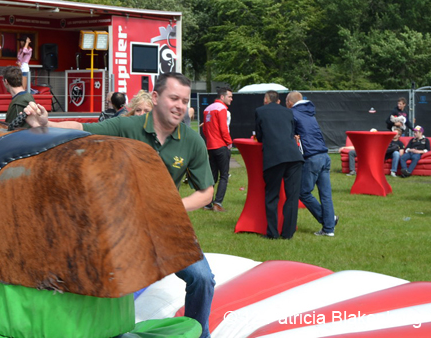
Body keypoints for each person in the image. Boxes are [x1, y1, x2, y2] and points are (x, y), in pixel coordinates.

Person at [24, 72, 215, 338]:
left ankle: (199, 333)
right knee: (105, 278)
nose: (179, 105)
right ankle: (104, 330)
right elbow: (81, 128)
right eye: (174, 98)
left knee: (202, 278)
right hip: (123, 226)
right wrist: (46, 124)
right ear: (156, 97)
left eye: (184, 100)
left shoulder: (192, 141)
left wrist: (171, 206)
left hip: (166, 226)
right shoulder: (128, 127)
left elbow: (206, 192)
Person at [254, 90, 304, 240]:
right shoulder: (288, 112)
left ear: (266, 99)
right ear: (279, 100)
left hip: (274, 157)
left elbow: (260, 136)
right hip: (294, 157)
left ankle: (272, 233)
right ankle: (288, 234)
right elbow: (291, 133)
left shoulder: (260, 111)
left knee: (271, 196)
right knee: (292, 197)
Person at [287, 91, 336, 237]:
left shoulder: (293, 114)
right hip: (324, 155)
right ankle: (329, 229)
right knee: (326, 194)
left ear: (290, 102)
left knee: (304, 192)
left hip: (311, 157)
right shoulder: (309, 112)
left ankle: (328, 221)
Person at [202, 87, 233, 212]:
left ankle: (207, 203)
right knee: (224, 176)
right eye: (229, 96)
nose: (231, 99)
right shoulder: (221, 109)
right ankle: (217, 203)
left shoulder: (207, 109)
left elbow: (204, 129)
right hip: (221, 145)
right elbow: (223, 128)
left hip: (210, 146)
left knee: (212, 176)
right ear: (222, 97)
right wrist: (229, 142)